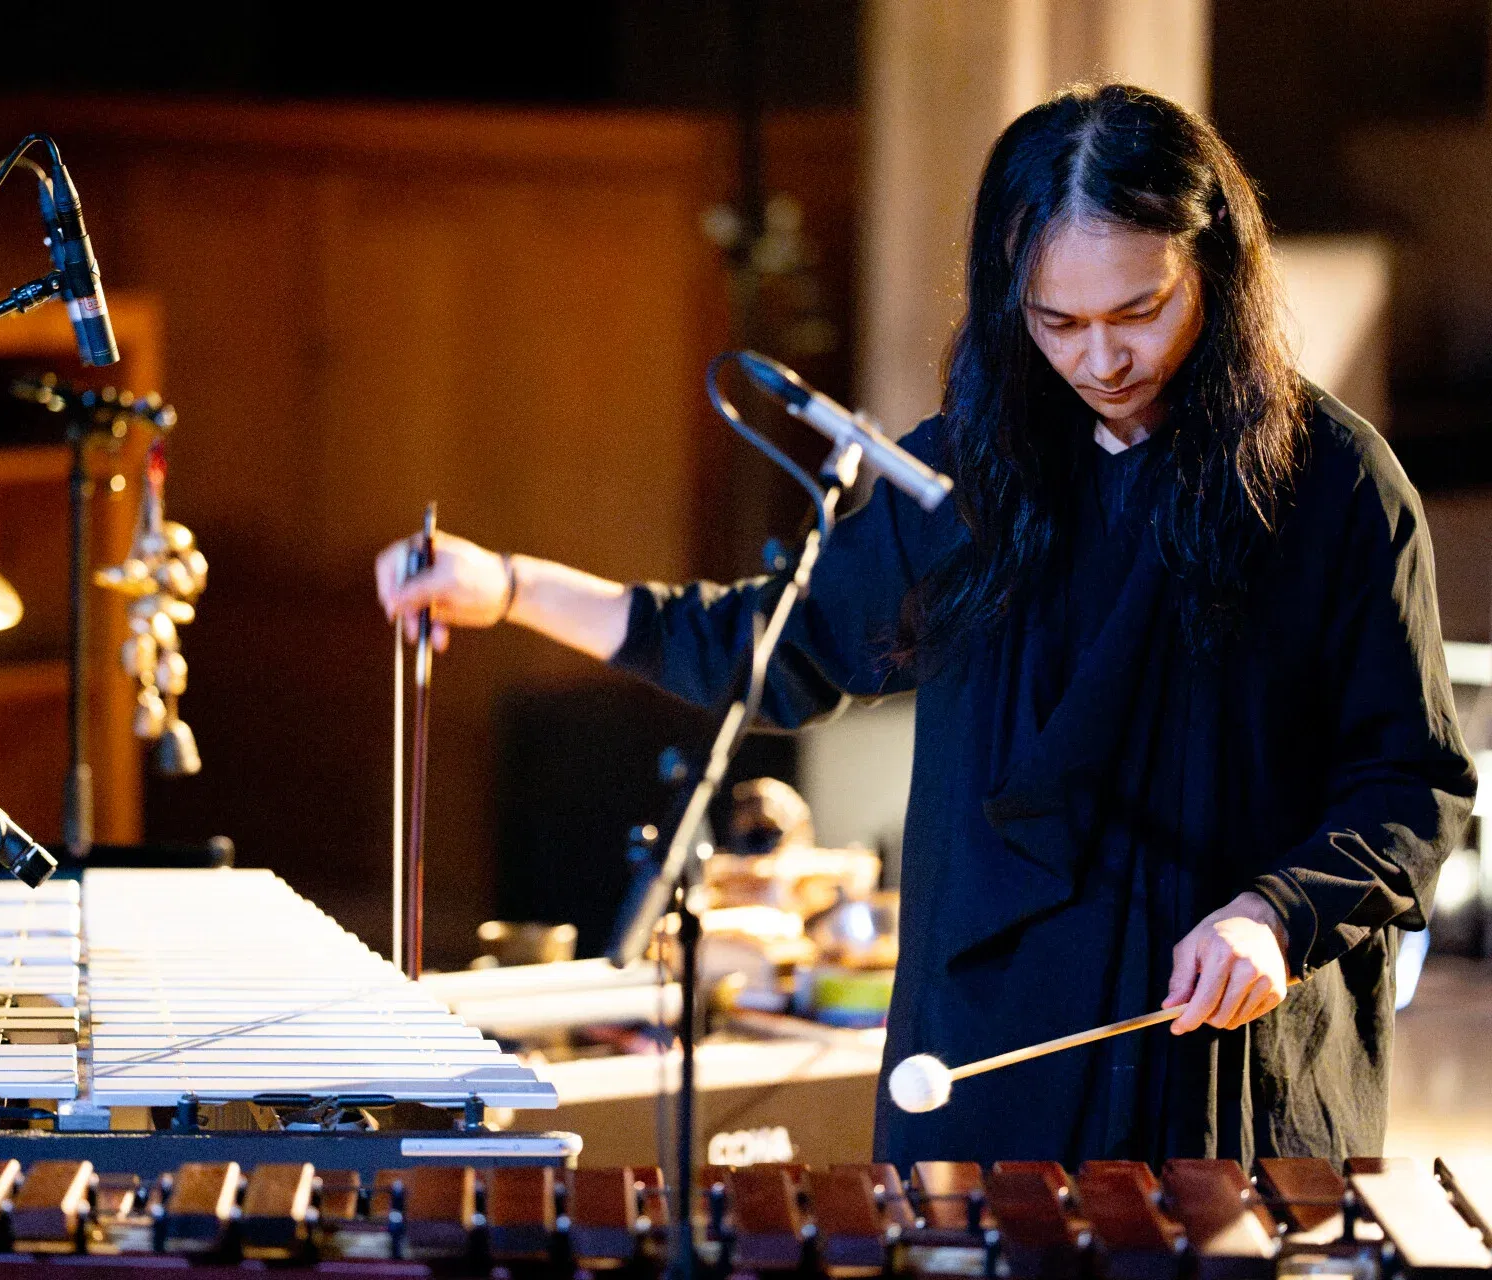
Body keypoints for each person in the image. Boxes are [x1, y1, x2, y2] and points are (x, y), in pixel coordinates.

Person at [375, 84, 1474, 1166]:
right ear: (1011, 303)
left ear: (1215, 272)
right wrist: (510, 586)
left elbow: (1409, 781)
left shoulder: (1331, 486)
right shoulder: (969, 474)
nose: (1101, 360)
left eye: (1140, 310)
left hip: (1226, 1072)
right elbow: (765, 648)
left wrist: (1277, 915)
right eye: (1060, 322)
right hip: (989, 1069)